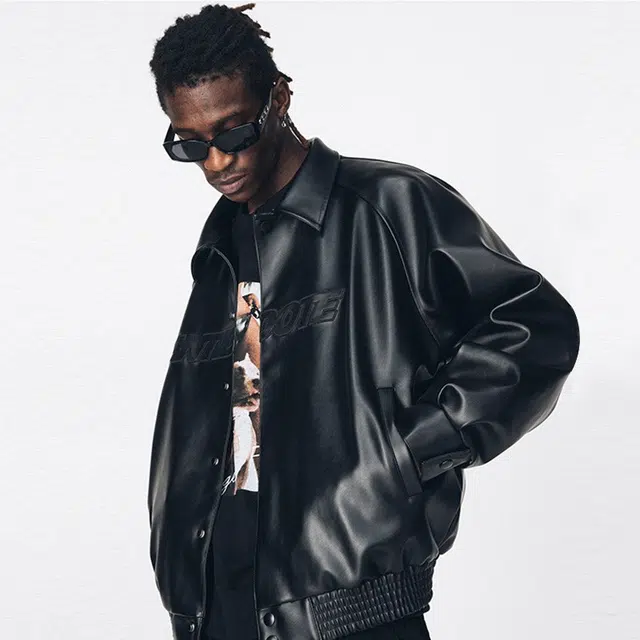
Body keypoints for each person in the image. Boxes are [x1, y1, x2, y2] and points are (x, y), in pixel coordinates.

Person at [146, 4, 581, 640]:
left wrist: (408, 453)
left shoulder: (388, 205)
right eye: (190, 145)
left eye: (233, 135)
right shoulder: (220, 248)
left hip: (351, 606)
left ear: (279, 98)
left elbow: (532, 328)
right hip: (218, 608)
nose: (216, 164)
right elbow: (237, 413)